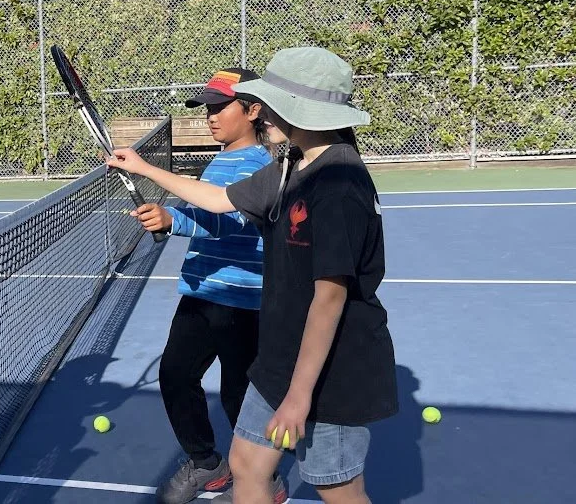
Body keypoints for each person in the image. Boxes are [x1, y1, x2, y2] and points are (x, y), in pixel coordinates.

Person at [108, 47, 398, 504]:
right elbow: (220, 200)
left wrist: (300, 396)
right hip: (280, 356)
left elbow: (330, 298)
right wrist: (143, 168)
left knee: (339, 489)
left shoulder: (340, 183)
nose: (262, 112)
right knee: (246, 466)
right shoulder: (291, 165)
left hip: (330, 367)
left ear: (300, 109)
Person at [142, 68, 287, 504]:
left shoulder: (262, 164)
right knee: (175, 375)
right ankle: (208, 465)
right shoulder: (219, 159)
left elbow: (228, 218)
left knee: (237, 395)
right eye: (207, 108)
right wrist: (170, 218)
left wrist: (174, 218)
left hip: (244, 300)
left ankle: (265, 482)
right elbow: (202, 215)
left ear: (253, 109)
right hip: (201, 291)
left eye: (220, 106)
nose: (211, 116)